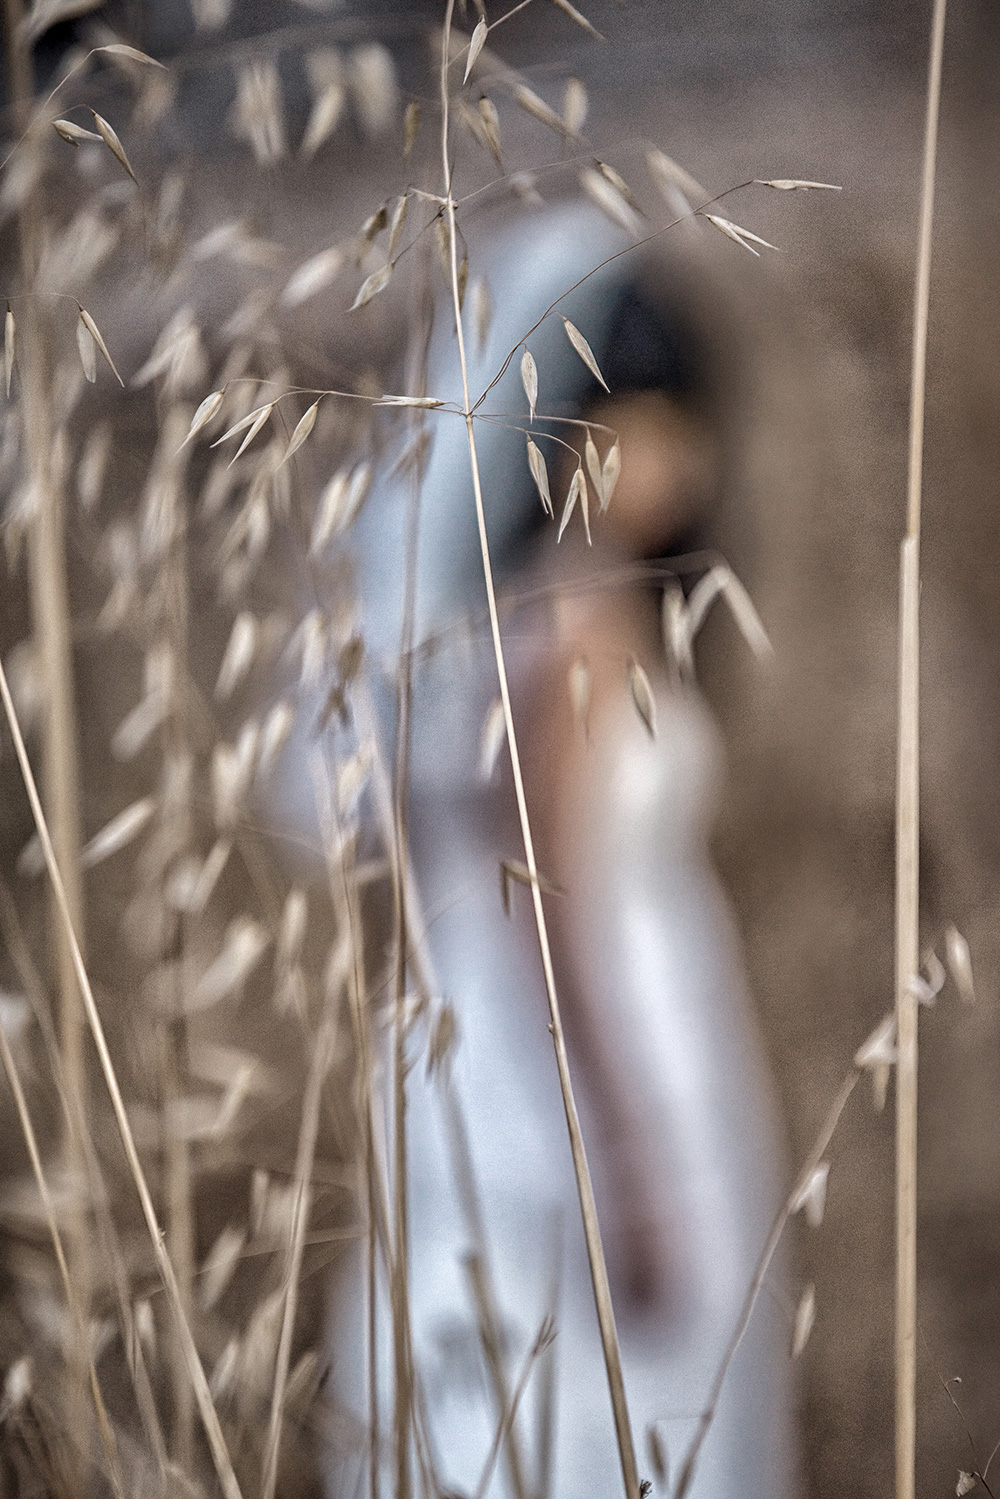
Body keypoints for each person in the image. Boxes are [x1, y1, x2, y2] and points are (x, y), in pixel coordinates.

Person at [322, 198, 799, 1499]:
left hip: (549, 1041)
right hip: (598, 1053)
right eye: (645, 430)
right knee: (613, 1391)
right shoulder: (577, 625)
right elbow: (553, 903)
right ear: (574, 435)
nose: (680, 465)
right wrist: (631, 1158)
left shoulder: (521, 624)